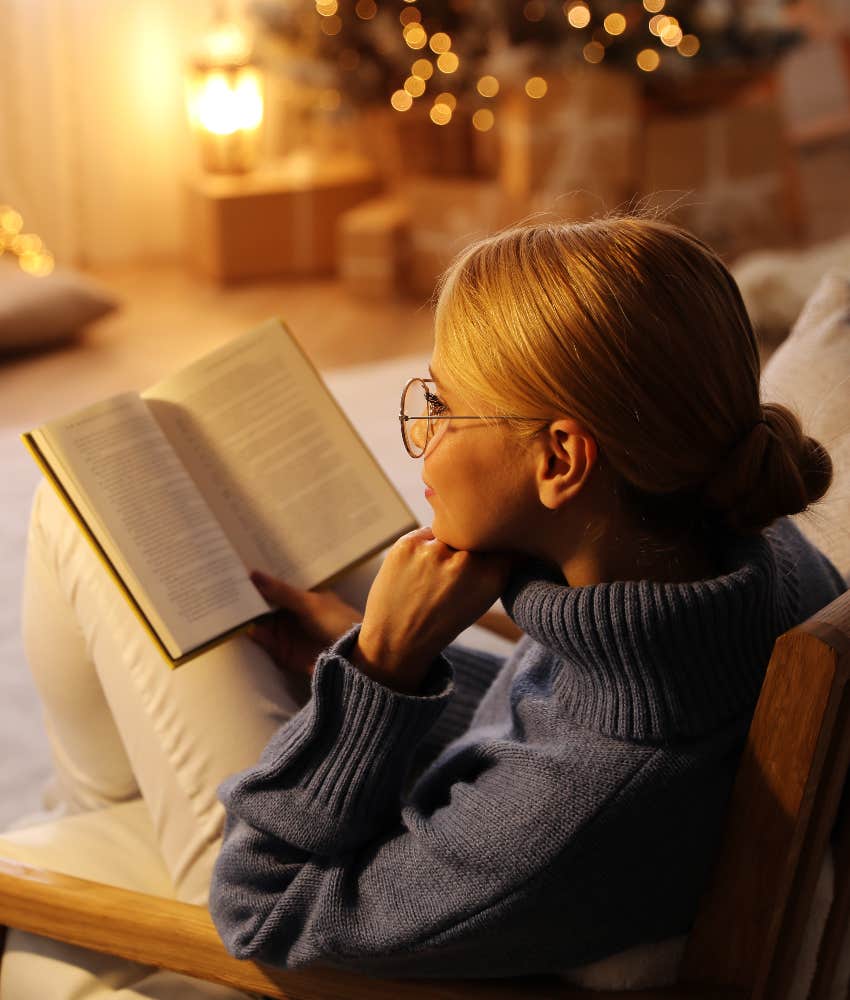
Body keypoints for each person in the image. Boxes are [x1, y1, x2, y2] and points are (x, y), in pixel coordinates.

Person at [9, 215, 847, 997]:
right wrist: (368, 650)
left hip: (282, 904)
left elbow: (260, 907)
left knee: (80, 507)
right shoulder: (746, 554)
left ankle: (83, 824)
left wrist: (380, 672)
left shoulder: (565, 818)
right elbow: (548, 719)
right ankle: (94, 812)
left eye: (443, 406)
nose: (424, 434)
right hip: (441, 839)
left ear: (560, 460)